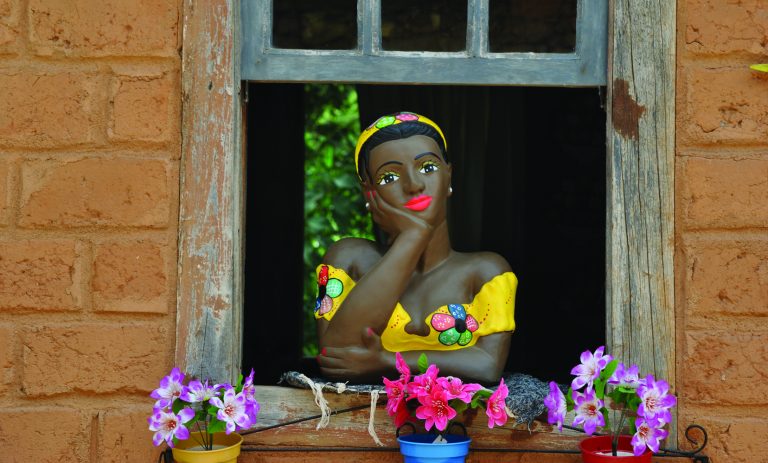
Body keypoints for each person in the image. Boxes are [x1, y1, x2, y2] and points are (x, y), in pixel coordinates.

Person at [314, 112, 517, 384]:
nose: (414, 185)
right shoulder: (349, 260)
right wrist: (414, 236)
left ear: (449, 176)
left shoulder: (487, 272)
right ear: (368, 192)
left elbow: (488, 365)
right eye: (389, 177)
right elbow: (336, 358)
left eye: (428, 167)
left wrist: (389, 361)